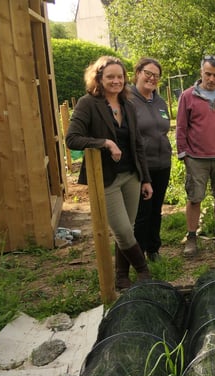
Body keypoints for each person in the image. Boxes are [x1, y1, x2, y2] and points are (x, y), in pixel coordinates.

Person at [66, 55, 153, 291]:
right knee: (123, 230)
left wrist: (145, 178)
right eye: (110, 77)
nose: (116, 81)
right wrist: (105, 142)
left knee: (128, 228)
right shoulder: (88, 104)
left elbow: (137, 145)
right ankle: (145, 272)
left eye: (120, 77)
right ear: (99, 79)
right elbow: (72, 138)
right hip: (106, 178)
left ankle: (122, 276)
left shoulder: (128, 105)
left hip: (131, 176)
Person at [176, 54, 215, 257]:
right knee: (195, 198)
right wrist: (184, 155)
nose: (212, 79)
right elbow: (181, 128)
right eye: (208, 74)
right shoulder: (188, 96)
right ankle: (192, 238)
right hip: (196, 157)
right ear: (201, 72)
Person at [130, 58, 172, 263]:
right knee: (142, 212)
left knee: (156, 209)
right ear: (138, 72)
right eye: (148, 73)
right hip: (140, 165)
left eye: (156, 75)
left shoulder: (160, 101)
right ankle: (138, 254)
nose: (152, 78)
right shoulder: (128, 100)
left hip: (162, 163)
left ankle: (154, 249)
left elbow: (163, 129)